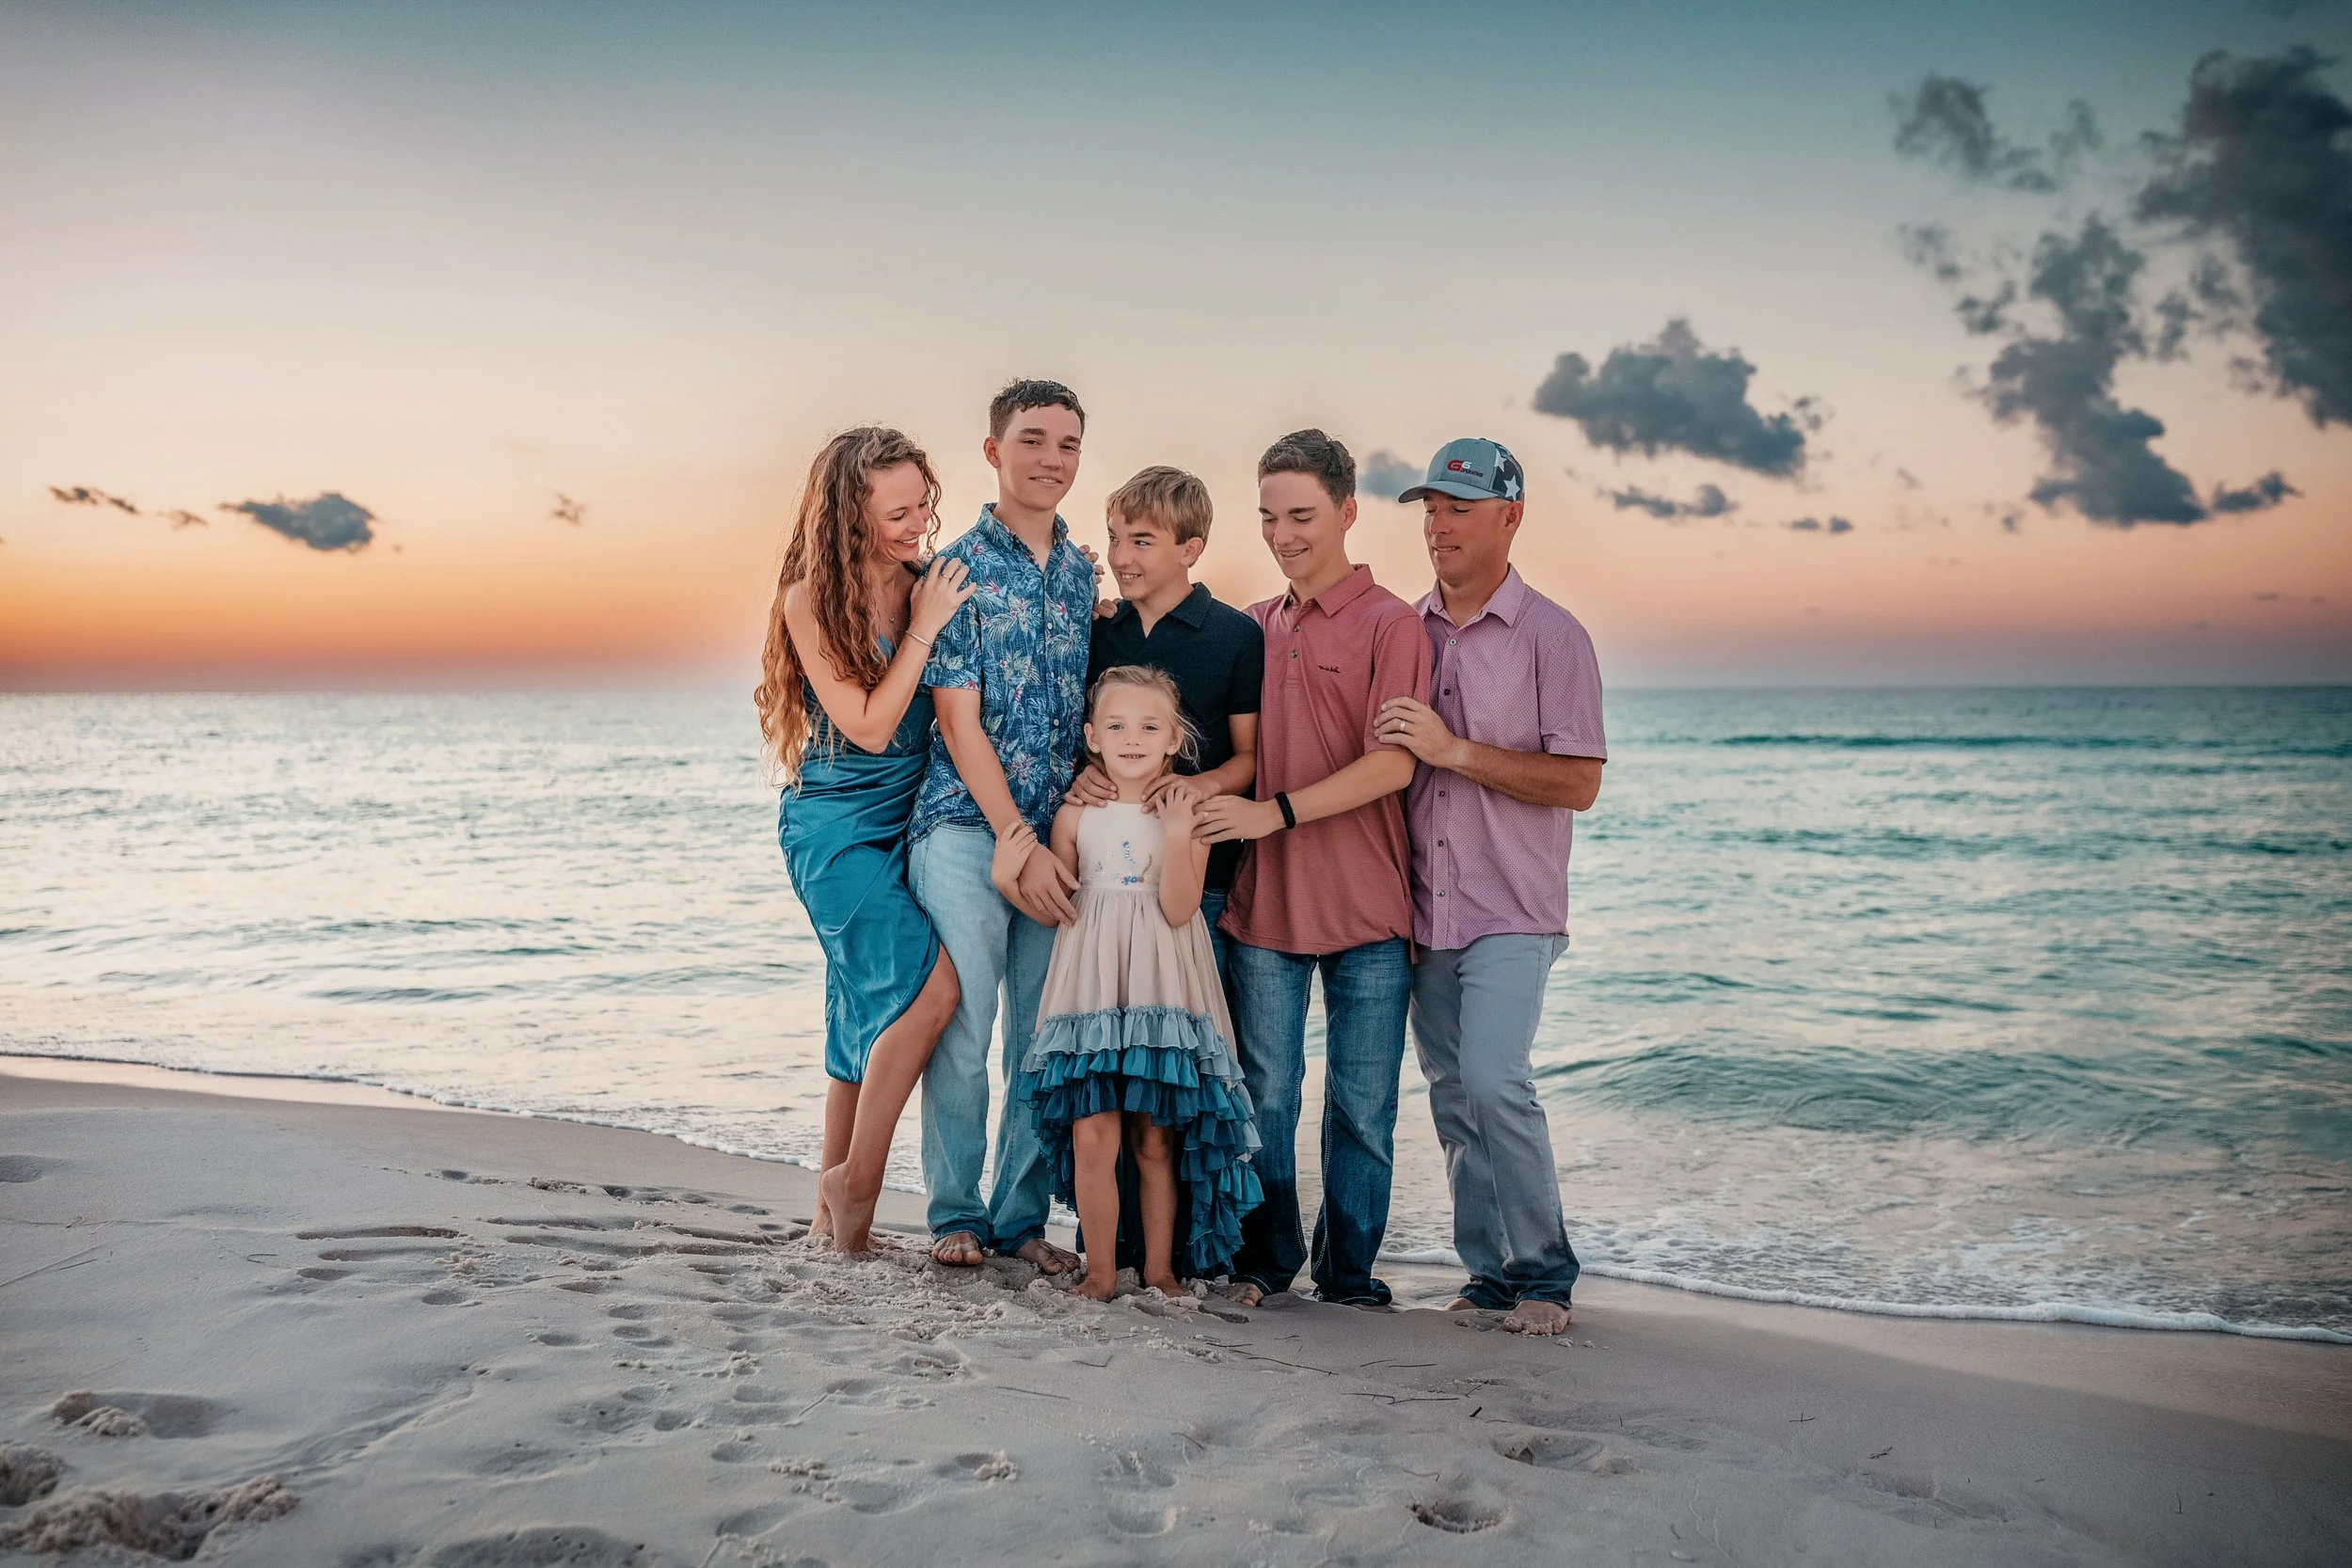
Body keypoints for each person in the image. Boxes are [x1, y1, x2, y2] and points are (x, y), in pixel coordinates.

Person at [1375, 437, 1606, 1336]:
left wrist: (1456, 752)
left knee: (1494, 1076)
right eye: (1431, 508)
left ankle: (1546, 1275)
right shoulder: (1406, 629)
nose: (1438, 526)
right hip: (1426, 904)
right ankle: (1489, 1276)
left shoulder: (1556, 636)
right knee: (1451, 1092)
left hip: (1513, 907)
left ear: (1511, 516)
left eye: (1459, 508)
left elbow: (1579, 782)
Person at [1196, 430, 1431, 1307]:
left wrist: (1275, 811)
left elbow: (1394, 764)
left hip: (1371, 907)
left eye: (1300, 514)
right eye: (1267, 516)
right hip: (1265, 907)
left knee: (1363, 1110)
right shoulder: (1252, 627)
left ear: (1347, 511)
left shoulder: (1394, 624)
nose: (1282, 533)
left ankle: (1349, 1271)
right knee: (1263, 1097)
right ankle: (1269, 1256)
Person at [755, 426, 975, 1253]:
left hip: (904, 824)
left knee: (857, 1016)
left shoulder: (930, 582)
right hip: (835, 828)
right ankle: (856, 1184)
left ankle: (827, 1226)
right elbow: (872, 726)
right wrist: (923, 626)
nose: (918, 523)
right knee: (933, 991)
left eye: (923, 504)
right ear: (849, 515)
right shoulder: (809, 598)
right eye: (896, 512)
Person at [908, 378, 1097, 1274]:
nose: (1050, 459)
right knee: (962, 1026)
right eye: (1032, 440)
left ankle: (1021, 1221)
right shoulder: (953, 570)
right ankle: (955, 1213)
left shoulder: (1083, 571)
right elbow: (956, 718)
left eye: (1066, 444)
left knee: (1040, 1034)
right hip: (965, 829)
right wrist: (1013, 836)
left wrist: (1046, 835)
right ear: (993, 451)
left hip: (1055, 841)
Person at [1007, 666, 1263, 1300]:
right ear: (1091, 734)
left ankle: (1158, 1269)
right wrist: (1007, 874)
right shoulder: (1074, 812)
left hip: (1160, 983)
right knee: (1094, 1128)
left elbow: (1179, 908)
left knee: (1154, 1132)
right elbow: (1057, 904)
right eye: (1117, 725)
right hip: (1091, 983)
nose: (1132, 737)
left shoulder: (1188, 808)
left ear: (1174, 739)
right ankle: (1099, 1269)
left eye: (1150, 726)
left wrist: (1178, 832)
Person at [1066, 466, 1263, 1275]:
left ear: (1191, 547)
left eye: (1140, 541)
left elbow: (1249, 757)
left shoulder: (1234, 635)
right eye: (1114, 539)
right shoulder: (1099, 631)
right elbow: (1090, 733)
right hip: (1104, 888)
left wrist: (1197, 787)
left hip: (1190, 876)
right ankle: (1098, 1254)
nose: (1121, 555)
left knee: (1172, 1087)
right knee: (1103, 1084)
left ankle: (1181, 1259)